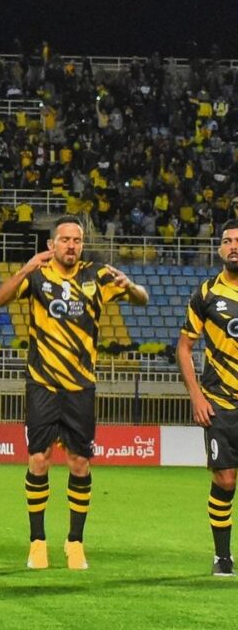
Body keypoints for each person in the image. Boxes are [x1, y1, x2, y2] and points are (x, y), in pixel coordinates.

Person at [0, 215, 148, 570]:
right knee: (39, 460)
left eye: (76, 240)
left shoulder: (98, 276)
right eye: (64, 239)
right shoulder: (37, 276)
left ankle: (75, 542)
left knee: (79, 463)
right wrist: (25, 267)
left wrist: (131, 286)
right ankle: (37, 542)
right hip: (43, 384)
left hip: (80, 387)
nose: (71, 246)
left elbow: (142, 299)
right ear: (52, 244)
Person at [177, 219, 238, 577]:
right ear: (219, 249)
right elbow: (184, 348)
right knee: (225, 480)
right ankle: (222, 555)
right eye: (228, 241)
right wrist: (196, 396)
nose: (234, 246)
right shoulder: (206, 293)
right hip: (221, 402)